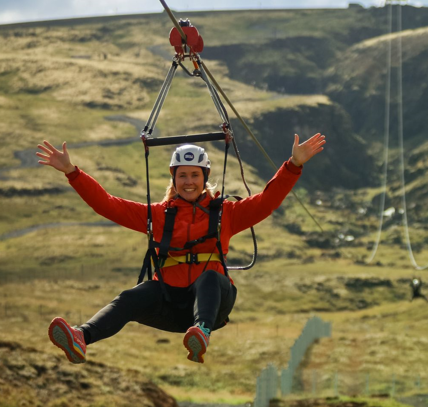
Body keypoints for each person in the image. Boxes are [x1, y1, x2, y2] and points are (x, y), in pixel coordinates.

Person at [36, 133, 325, 365]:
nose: (189, 181)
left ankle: (202, 332)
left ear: (205, 178)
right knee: (134, 294)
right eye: (183, 175)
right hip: (172, 306)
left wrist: (293, 165)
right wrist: (73, 173)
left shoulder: (226, 212)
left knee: (210, 278)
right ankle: (81, 337)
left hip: (213, 305)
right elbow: (108, 205)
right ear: (174, 179)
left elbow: (267, 201)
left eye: (195, 175)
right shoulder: (158, 215)